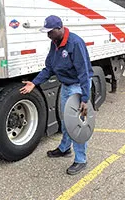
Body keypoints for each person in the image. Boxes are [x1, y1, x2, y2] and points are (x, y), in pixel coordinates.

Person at [20, 15, 93, 175]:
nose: (48, 35)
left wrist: (85, 98)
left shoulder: (75, 43)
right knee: (65, 120)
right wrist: (34, 82)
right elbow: (49, 68)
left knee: (77, 125)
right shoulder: (55, 44)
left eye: (50, 32)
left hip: (78, 87)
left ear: (60, 28)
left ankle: (81, 160)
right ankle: (64, 149)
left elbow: (84, 72)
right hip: (66, 86)